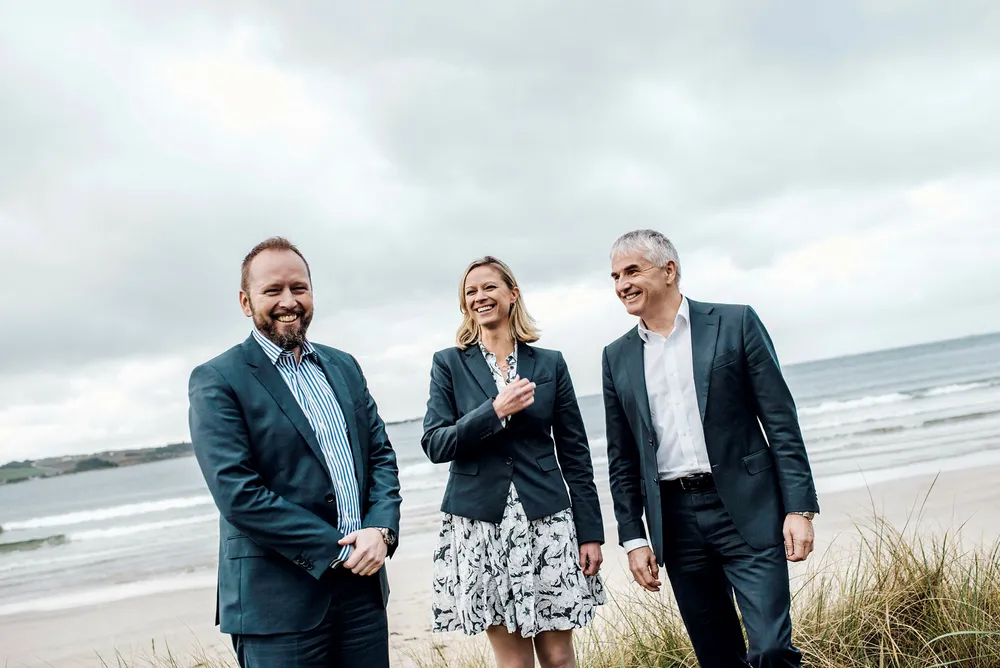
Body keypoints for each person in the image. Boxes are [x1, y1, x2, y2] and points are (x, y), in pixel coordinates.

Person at [601, 229, 820, 668]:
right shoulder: (616, 356)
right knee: (718, 658)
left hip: (748, 507)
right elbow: (622, 458)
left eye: (632, 271)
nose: (622, 284)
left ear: (669, 270)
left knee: (771, 649)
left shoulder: (735, 323)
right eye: (615, 276)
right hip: (676, 522)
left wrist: (799, 507)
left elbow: (780, 420)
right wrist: (633, 538)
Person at [188, 237, 402, 668]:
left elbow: (380, 456)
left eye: (299, 288)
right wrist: (339, 549)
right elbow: (238, 495)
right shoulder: (217, 380)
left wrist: (381, 529)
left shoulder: (344, 366)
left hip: (362, 593)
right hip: (277, 605)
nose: (289, 301)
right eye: (273, 290)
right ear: (246, 302)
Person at [421, 255, 606, 668]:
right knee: (515, 662)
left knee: (558, 656)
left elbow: (575, 454)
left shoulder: (550, 363)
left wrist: (590, 533)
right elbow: (435, 444)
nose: (480, 297)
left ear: (512, 294)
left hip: (547, 521)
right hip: (480, 527)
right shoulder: (448, 363)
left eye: (489, 287)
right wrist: (494, 410)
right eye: (471, 291)